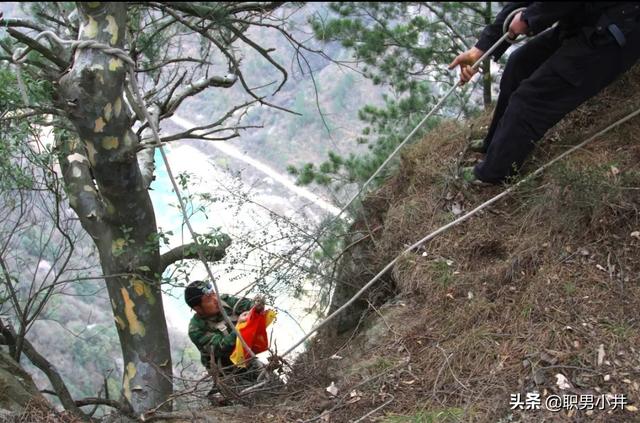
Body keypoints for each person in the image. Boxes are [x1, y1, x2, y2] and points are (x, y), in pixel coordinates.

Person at [449, 2, 640, 184]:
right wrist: (481, 49)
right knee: (520, 63)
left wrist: (529, 18)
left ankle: (495, 173)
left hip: (617, 31)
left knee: (530, 98)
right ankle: (494, 143)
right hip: (586, 18)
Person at [184, 280, 264, 382]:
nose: (216, 299)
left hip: (249, 360)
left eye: (214, 294)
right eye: (209, 299)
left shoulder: (225, 302)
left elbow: (246, 305)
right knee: (254, 396)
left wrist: (256, 307)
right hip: (228, 374)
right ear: (197, 309)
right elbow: (221, 347)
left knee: (276, 385)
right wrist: (239, 328)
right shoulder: (196, 329)